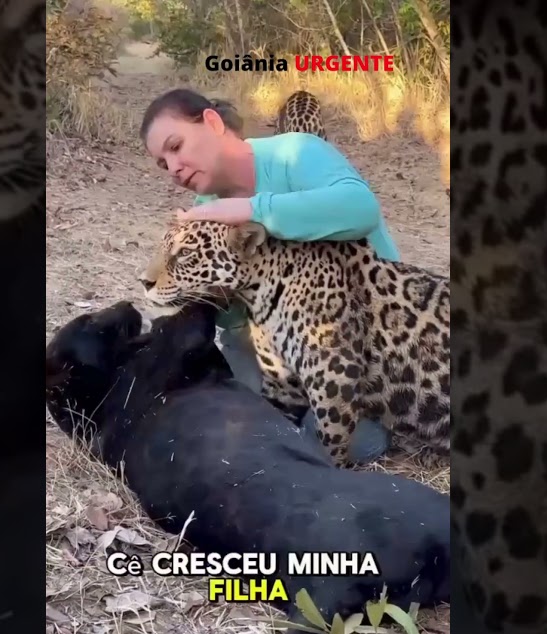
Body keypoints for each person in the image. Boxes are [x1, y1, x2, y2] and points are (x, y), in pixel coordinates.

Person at [139, 88, 399, 465]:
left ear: (212, 122)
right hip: (273, 343)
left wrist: (249, 209)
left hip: (362, 333)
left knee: (338, 441)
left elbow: (360, 209)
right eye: (164, 164)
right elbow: (233, 320)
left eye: (176, 146)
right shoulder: (203, 209)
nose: (174, 168)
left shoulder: (296, 153)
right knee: (251, 433)